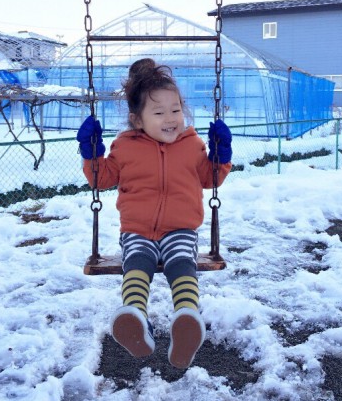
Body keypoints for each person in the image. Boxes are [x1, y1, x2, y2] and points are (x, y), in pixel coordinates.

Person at [77, 58, 232, 369]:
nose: (171, 118)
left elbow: (208, 178)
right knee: (137, 263)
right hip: (137, 229)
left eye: (176, 110)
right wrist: (91, 152)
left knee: (181, 262)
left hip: (180, 228)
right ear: (138, 120)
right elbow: (101, 179)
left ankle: (186, 318)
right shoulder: (125, 146)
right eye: (159, 113)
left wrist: (221, 154)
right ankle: (135, 319)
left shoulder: (192, 144)